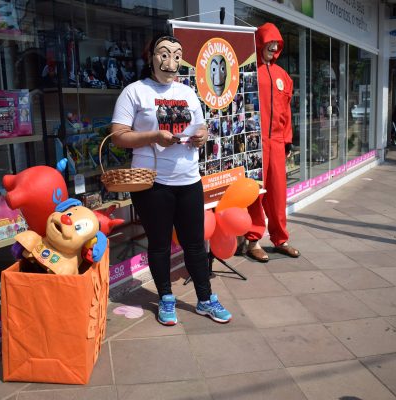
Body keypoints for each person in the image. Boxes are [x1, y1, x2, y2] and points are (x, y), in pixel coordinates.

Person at [110, 33, 231, 325]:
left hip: (189, 180)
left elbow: (200, 127)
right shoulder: (134, 91)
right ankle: (165, 297)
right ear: (150, 57)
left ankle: (205, 298)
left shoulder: (188, 92)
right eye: (164, 54)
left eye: (176, 55)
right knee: (160, 244)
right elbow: (117, 136)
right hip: (152, 183)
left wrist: (202, 136)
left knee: (194, 244)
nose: (171, 61)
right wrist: (153, 136)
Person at [244, 22, 300, 263]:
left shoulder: (283, 77)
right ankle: (253, 241)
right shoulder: (248, 72)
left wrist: (288, 141)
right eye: (269, 42)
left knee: (277, 193)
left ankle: (280, 239)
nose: (274, 46)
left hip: (277, 142)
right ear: (260, 42)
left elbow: (286, 112)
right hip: (255, 142)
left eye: (277, 43)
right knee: (256, 192)